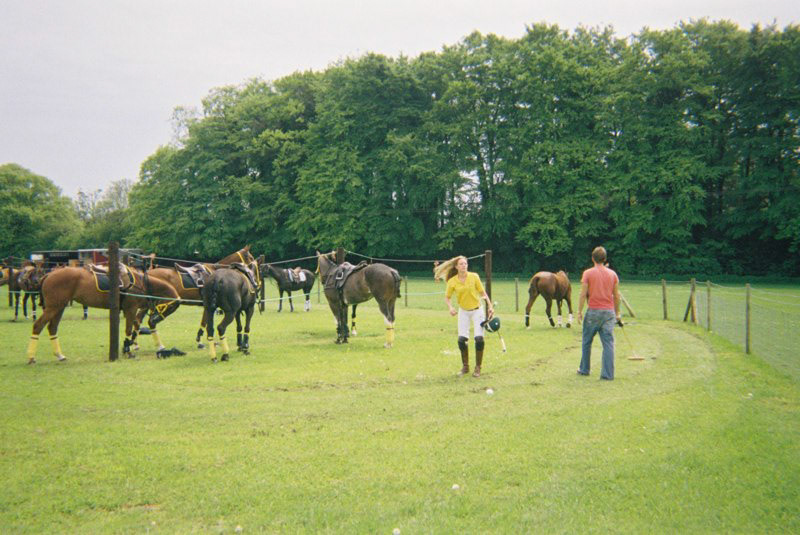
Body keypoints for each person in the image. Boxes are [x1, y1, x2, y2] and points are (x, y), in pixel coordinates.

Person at [435, 256, 494, 377]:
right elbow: (447, 297)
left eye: (465, 264)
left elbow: (483, 293)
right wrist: (450, 307)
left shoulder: (474, 277)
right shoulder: (452, 281)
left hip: (477, 310)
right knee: (462, 340)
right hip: (463, 311)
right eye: (461, 264)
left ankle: (478, 367)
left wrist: (490, 306)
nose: (464, 266)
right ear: (456, 267)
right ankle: (465, 367)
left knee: (479, 339)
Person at [576, 246, 621, 380]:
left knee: (586, 341)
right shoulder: (613, 274)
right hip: (609, 313)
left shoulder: (587, 273)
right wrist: (617, 313)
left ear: (592, 258)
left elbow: (583, 294)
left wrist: (579, 311)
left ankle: (584, 369)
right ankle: (607, 374)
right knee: (608, 344)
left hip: (593, 312)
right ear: (605, 259)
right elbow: (616, 296)